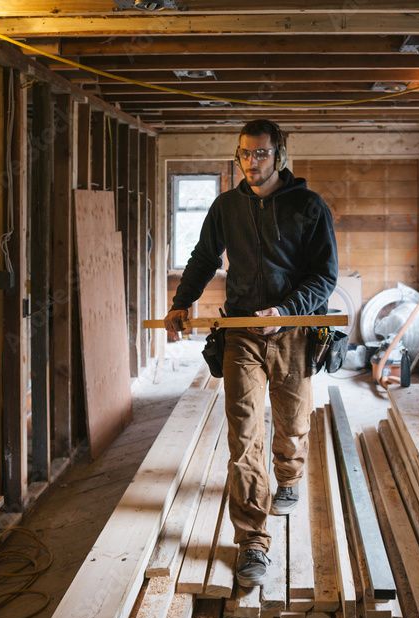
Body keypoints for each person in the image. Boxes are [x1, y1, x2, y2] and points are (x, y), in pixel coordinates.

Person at [164, 119, 338, 588]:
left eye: (261, 153)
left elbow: (325, 276)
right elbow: (204, 258)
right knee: (243, 437)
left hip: (294, 332)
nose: (251, 161)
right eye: (244, 153)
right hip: (241, 332)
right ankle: (252, 540)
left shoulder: (308, 206)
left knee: (293, 424)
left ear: (279, 155)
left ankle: (289, 476)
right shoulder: (226, 207)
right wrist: (182, 303)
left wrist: (287, 310)